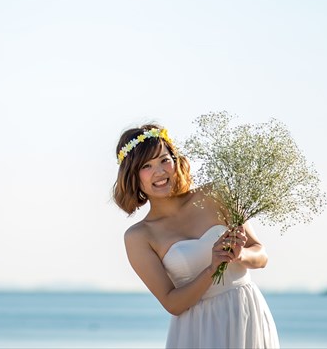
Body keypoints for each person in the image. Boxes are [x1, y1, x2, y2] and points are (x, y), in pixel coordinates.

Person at [114, 124, 279, 349]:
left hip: (246, 313)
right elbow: (172, 303)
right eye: (146, 166)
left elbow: (261, 255)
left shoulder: (216, 194)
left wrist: (239, 256)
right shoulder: (139, 236)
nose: (159, 172)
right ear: (133, 176)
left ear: (175, 161)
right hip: (197, 330)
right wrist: (212, 268)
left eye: (164, 160)